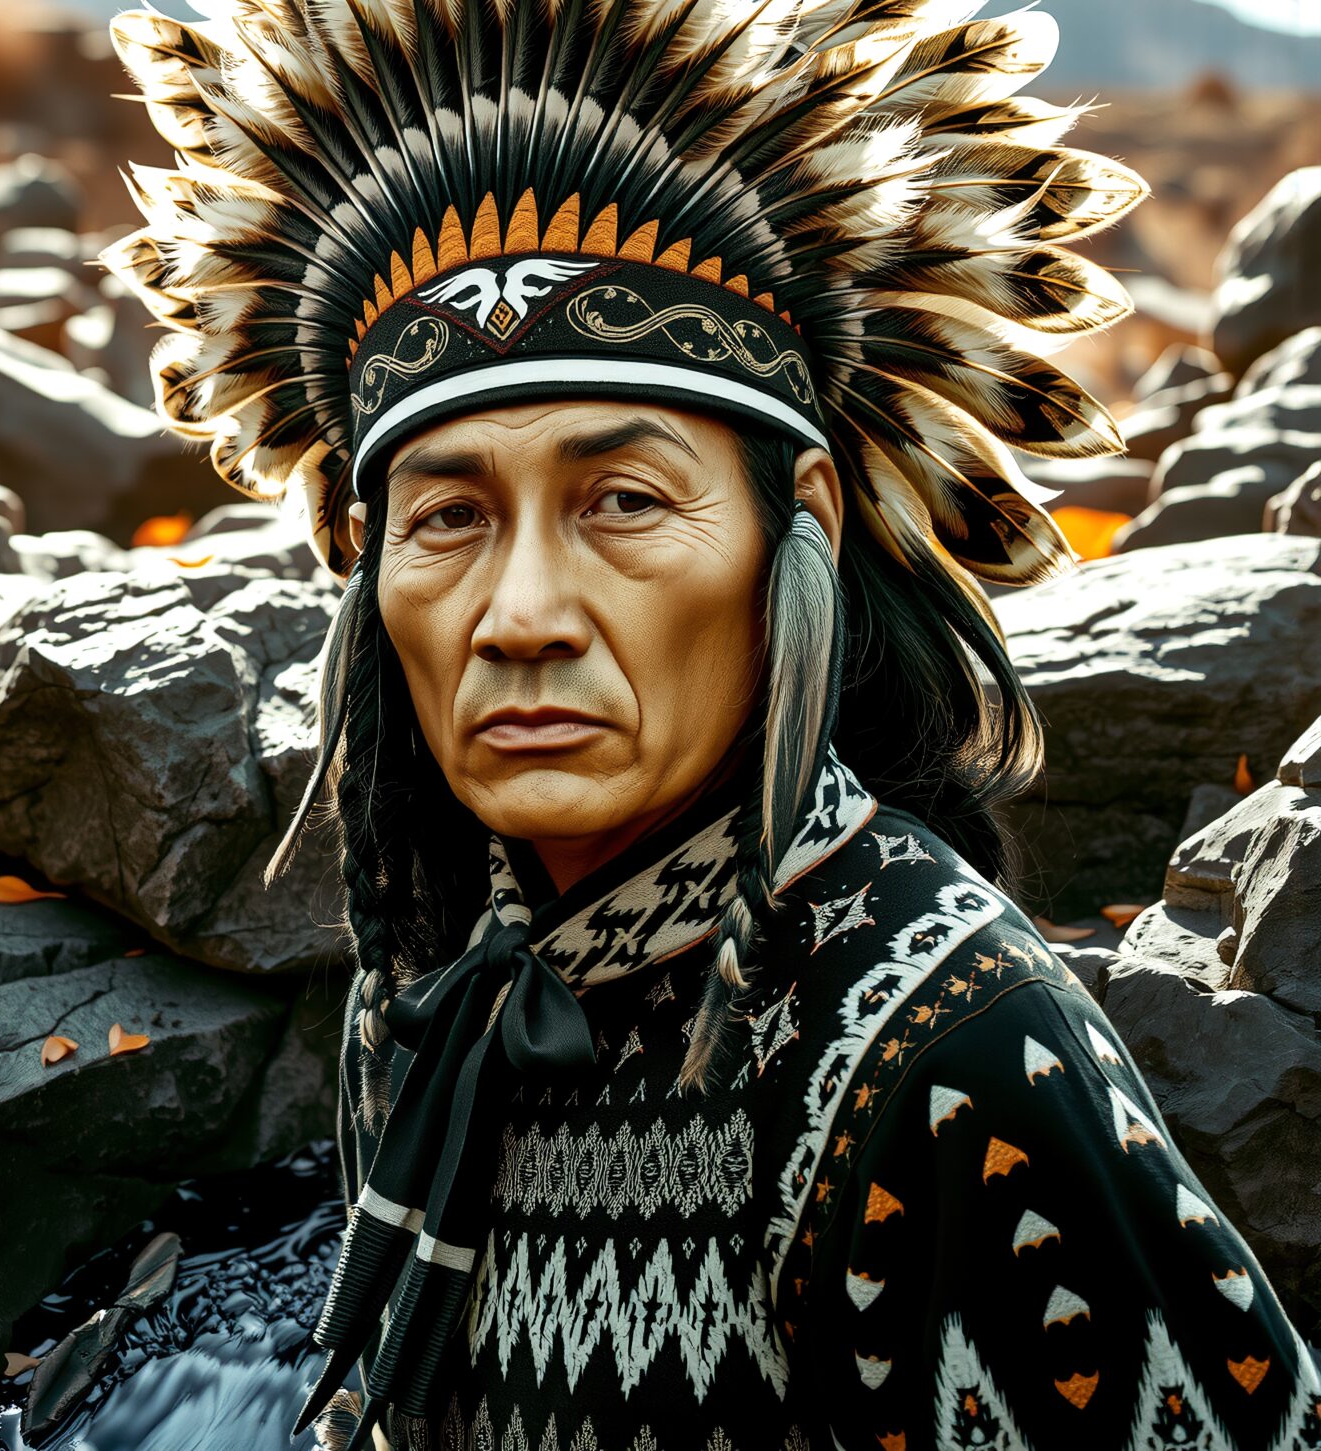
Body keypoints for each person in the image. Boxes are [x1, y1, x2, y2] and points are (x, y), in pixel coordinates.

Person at [99, 1, 1321, 1448]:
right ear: (366, 568)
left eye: (623, 501)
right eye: (449, 518)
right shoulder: (430, 978)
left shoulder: (949, 1069)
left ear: (792, 525)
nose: (522, 614)